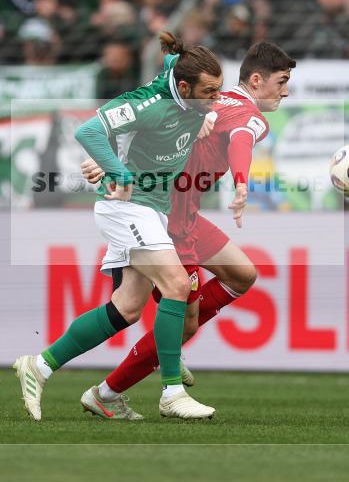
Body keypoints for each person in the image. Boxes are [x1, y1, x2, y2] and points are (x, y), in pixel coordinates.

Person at [78, 41, 296, 419]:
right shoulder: (249, 115)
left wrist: (114, 159)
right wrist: (242, 180)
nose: (286, 90)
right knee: (182, 320)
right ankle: (108, 392)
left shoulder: (214, 100)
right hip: (169, 213)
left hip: (184, 209)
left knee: (243, 274)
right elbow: (242, 140)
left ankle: (168, 351)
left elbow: (159, 120)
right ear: (257, 80)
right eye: (282, 81)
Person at [13, 31, 224, 421]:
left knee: (127, 308)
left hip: (152, 210)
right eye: (209, 92)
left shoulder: (185, 91)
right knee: (177, 285)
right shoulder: (147, 104)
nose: (216, 98)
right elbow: (88, 131)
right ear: (183, 87)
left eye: (218, 90)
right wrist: (116, 170)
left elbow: (174, 68)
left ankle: (38, 367)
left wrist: (206, 112)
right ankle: (172, 392)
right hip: (128, 208)